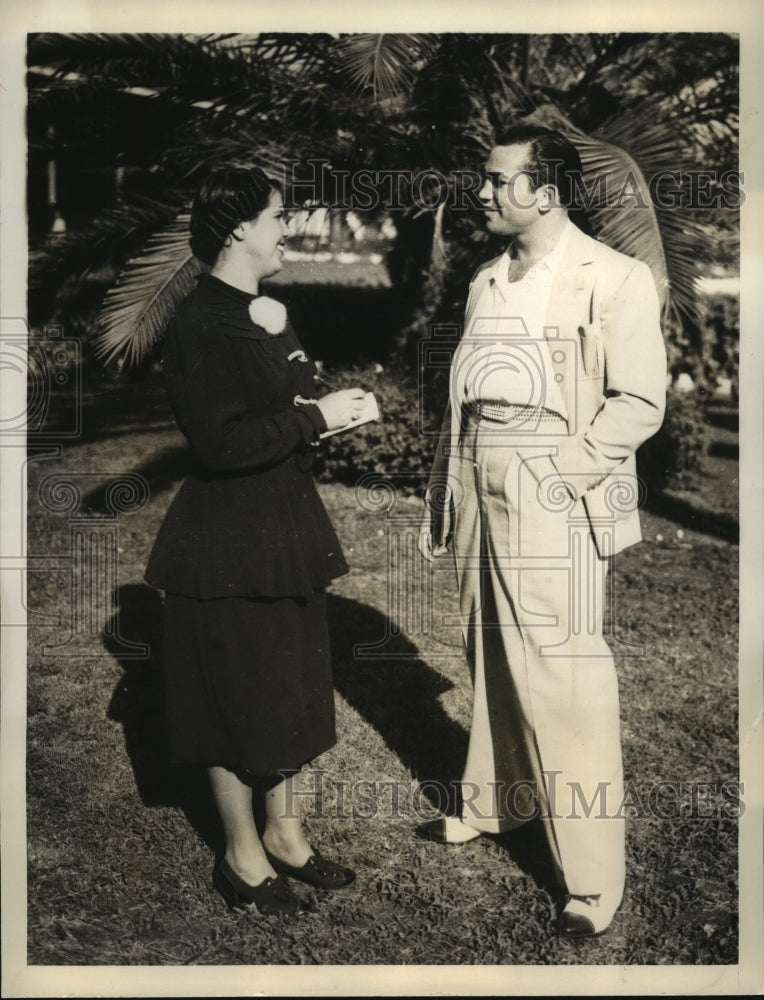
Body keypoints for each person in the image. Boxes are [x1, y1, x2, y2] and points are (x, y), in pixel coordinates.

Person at [419, 124, 667, 938]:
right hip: (483, 466)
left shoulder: (616, 278)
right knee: (487, 645)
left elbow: (638, 400)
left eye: (497, 181)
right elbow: (464, 401)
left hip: (555, 478)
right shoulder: (488, 278)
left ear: (548, 192)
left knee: (565, 674)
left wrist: (561, 471)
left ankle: (593, 882)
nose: (482, 192)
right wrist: (453, 488)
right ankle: (499, 805)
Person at [145, 166, 367, 915]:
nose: (287, 229)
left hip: (283, 528)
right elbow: (219, 445)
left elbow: (294, 397)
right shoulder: (198, 323)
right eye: (278, 216)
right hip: (227, 541)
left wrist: (322, 401)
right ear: (239, 229)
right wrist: (317, 418)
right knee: (234, 694)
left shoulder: (261, 312)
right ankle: (241, 857)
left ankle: (286, 835)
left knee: (292, 687)